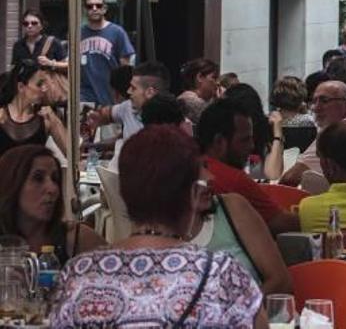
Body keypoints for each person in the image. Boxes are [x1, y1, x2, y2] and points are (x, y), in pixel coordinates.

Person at [50, 126, 265, 327]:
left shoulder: (77, 275)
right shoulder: (221, 274)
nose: (210, 177)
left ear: (124, 193)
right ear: (190, 194)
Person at [198, 98, 299, 236]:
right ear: (219, 142)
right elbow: (283, 223)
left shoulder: (184, 168)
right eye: (244, 140)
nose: (251, 146)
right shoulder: (232, 180)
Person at [189, 163, 293, 295]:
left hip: (260, 313)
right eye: (192, 175)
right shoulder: (157, 238)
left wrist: (240, 310)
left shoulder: (232, 208)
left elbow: (281, 282)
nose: (209, 179)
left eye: (205, 168)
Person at [0, 145, 105, 262]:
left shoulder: (78, 239)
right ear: (12, 185)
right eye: (38, 178)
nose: (52, 188)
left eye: (55, 179)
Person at [279, 81, 346, 186]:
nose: (316, 108)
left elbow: (290, 179)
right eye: (314, 101)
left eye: (324, 101)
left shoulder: (338, 134)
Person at [87, 61, 170, 141]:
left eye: (133, 88)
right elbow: (107, 113)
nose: (128, 91)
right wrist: (97, 116)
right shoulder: (127, 107)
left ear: (150, 92)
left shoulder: (172, 125)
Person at [0, 61, 67, 158]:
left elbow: (71, 154)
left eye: (45, 83)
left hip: (34, 172)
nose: (44, 89)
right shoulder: (2, 115)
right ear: (21, 87)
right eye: (39, 84)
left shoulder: (45, 117)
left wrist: (55, 121)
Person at [80, 0, 135, 106]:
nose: (94, 9)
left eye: (98, 5)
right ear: (85, 10)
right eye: (90, 6)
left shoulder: (117, 32)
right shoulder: (78, 33)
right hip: (85, 95)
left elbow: (125, 68)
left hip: (111, 96)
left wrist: (123, 95)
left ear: (104, 8)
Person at [178, 58, 219, 125]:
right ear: (199, 77)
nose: (217, 83)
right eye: (214, 78)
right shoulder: (188, 100)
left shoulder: (206, 100)